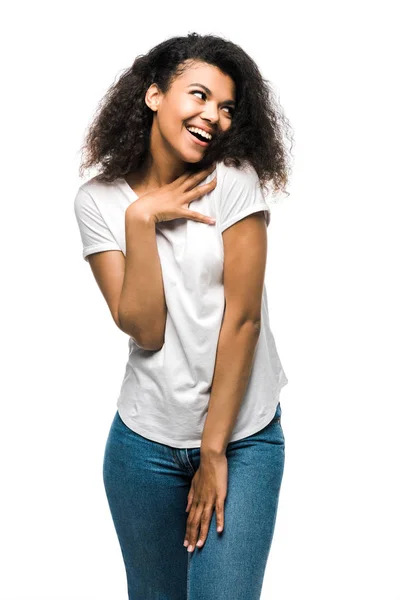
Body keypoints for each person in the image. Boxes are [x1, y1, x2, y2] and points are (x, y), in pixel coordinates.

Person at [74, 32, 293, 600]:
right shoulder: (99, 201)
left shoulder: (234, 183)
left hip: (242, 440)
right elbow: (145, 328)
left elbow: (241, 321)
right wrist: (141, 218)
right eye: (198, 96)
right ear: (153, 96)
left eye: (225, 107)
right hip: (143, 445)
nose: (212, 117)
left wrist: (214, 451)